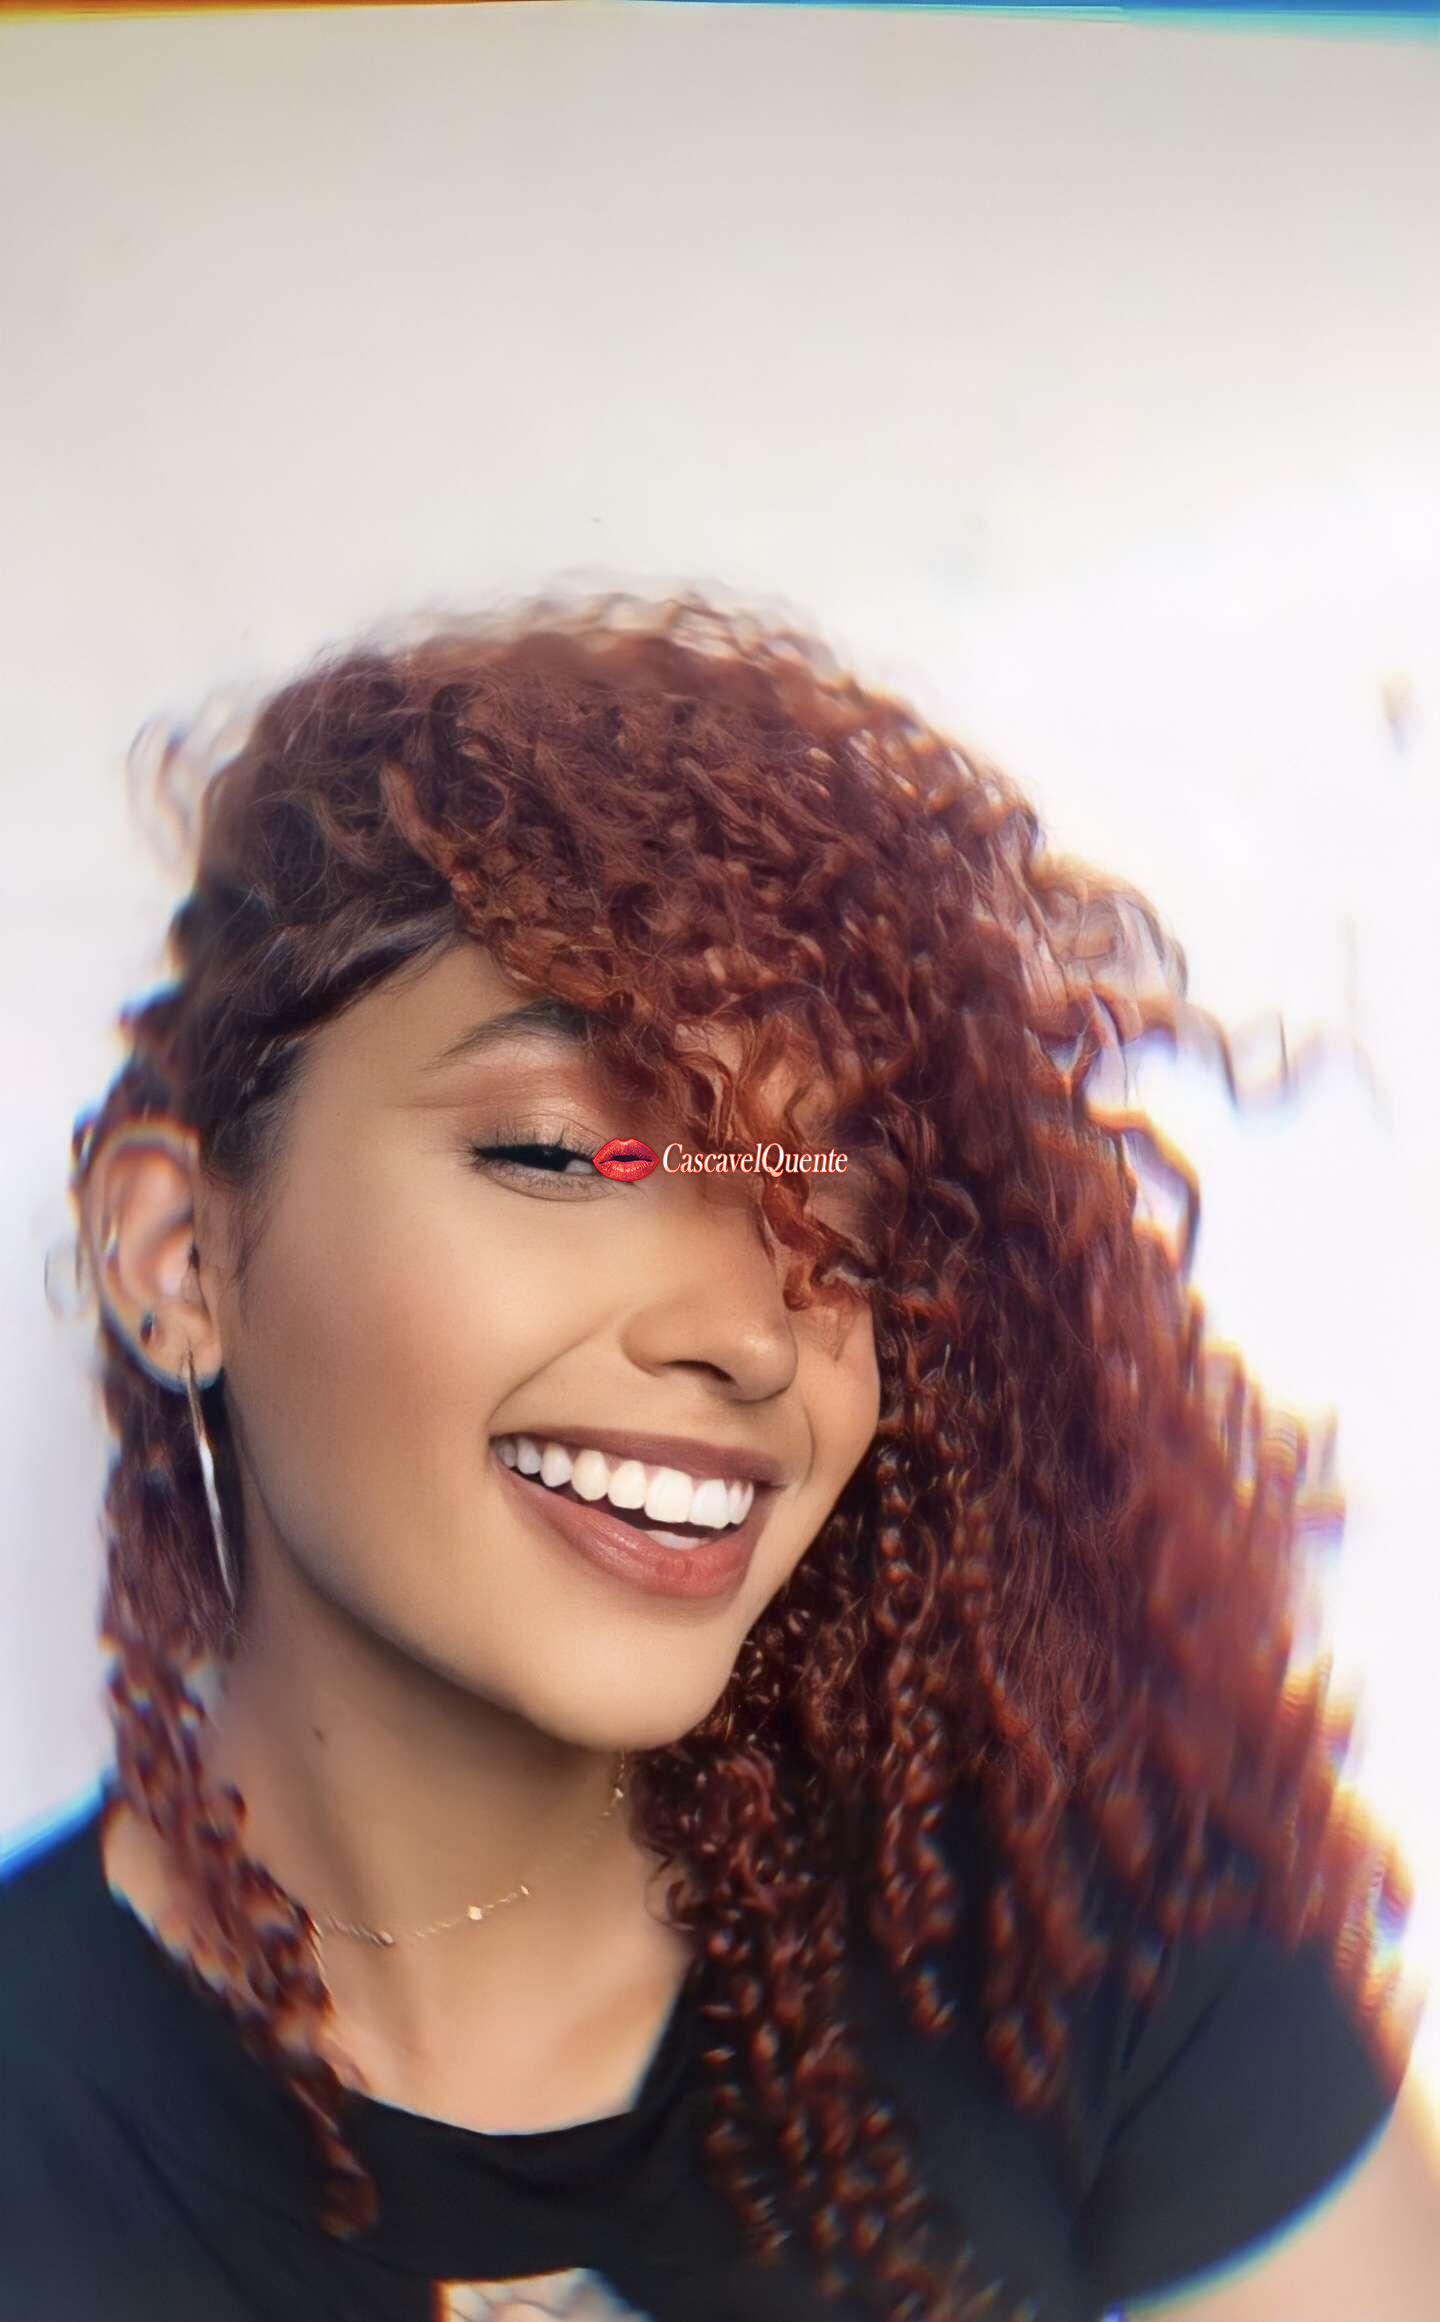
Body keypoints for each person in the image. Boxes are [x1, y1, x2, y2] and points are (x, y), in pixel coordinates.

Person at [1, 588, 1435, 2322]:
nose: (753, 1329)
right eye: (564, 1156)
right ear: (179, 1258)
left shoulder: (1101, 1953)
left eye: (843, 1209)